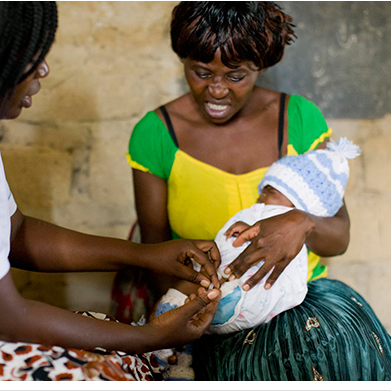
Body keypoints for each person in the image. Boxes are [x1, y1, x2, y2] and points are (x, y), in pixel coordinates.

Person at [0, 1, 222, 381]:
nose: (44, 69)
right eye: (33, 55)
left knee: (120, 354)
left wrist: (145, 257)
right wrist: (148, 336)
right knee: (107, 372)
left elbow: (15, 233)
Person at [122, 1, 391, 380]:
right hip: (208, 308)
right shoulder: (156, 134)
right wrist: (210, 305)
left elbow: (339, 237)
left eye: (235, 76)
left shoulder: (298, 120)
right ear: (182, 60)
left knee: (334, 357)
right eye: (201, 72)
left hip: (302, 300)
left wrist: (300, 222)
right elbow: (155, 256)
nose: (216, 90)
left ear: (259, 67)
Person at [155, 138, 361, 335]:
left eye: (270, 191)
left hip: (245, 299)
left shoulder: (284, 223)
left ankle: (164, 332)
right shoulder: (267, 217)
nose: (260, 197)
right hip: (245, 303)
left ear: (300, 204)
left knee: (186, 298)